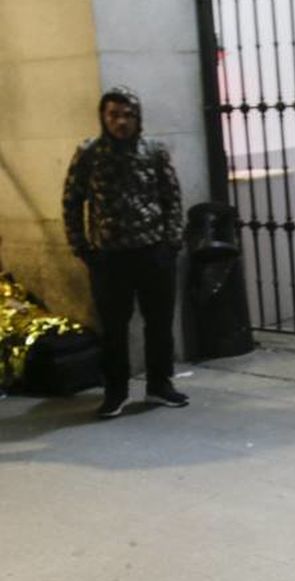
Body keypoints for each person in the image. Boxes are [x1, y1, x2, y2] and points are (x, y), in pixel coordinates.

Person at [62, 86, 187, 418]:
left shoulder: (153, 151)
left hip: (153, 252)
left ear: (138, 118)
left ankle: (160, 384)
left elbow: (171, 197)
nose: (121, 122)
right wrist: (82, 246)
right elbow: (72, 200)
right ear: (103, 117)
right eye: (114, 114)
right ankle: (115, 392)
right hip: (109, 257)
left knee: (159, 323)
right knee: (114, 328)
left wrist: (171, 242)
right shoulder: (90, 153)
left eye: (128, 115)